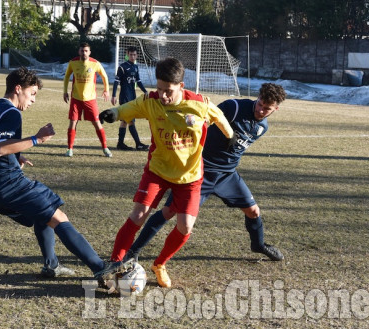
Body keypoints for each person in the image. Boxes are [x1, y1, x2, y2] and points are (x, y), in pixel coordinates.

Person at [0, 67, 128, 280]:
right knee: (58, 216)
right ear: (18, 89)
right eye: (32, 93)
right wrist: (37, 138)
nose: (33, 100)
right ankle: (99, 267)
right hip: (9, 184)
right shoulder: (11, 112)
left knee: (43, 212)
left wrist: (16, 156)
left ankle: (52, 266)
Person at [98, 57, 236, 288]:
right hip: (157, 171)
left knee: (185, 226)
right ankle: (115, 263)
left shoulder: (200, 104)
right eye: (160, 89)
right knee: (139, 214)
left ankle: (160, 264)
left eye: (168, 91)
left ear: (181, 86)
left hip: (189, 177)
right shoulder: (151, 101)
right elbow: (127, 108)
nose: (163, 95)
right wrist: (113, 113)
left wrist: (230, 135)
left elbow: (219, 117)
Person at [127, 83, 287, 269]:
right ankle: (134, 251)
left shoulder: (262, 127)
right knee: (169, 212)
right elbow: (203, 116)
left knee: (253, 211)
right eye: (259, 104)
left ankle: (258, 245)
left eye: (266, 108)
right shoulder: (234, 108)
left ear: (276, 109)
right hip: (201, 172)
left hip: (227, 175)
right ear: (257, 98)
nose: (261, 110)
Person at [63, 42, 112, 157]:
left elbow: (104, 76)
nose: (84, 53)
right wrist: (65, 92)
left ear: (89, 52)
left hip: (90, 99)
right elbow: (66, 76)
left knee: (97, 123)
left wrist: (107, 90)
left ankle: (105, 148)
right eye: (82, 50)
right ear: (78, 51)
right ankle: (70, 149)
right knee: (72, 123)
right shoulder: (73, 63)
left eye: (86, 51)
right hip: (76, 99)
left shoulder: (95, 63)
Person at [111, 46, 149, 151]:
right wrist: (113, 95)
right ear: (127, 54)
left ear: (137, 55)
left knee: (124, 121)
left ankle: (120, 143)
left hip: (133, 96)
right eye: (130, 54)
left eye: (134, 54)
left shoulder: (136, 67)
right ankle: (138, 144)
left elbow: (139, 81)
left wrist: (145, 91)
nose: (132, 56)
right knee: (130, 120)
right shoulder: (122, 67)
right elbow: (116, 82)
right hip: (124, 97)